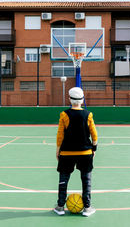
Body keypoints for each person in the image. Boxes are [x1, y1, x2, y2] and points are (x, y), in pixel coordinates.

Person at [54, 87, 98, 217]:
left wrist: (58, 150)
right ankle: (87, 208)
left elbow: (60, 135)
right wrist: (94, 149)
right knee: (86, 180)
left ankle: (60, 206)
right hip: (85, 153)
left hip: (67, 153)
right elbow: (94, 135)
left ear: (69, 99)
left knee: (63, 179)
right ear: (82, 99)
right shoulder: (88, 115)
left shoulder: (64, 114)